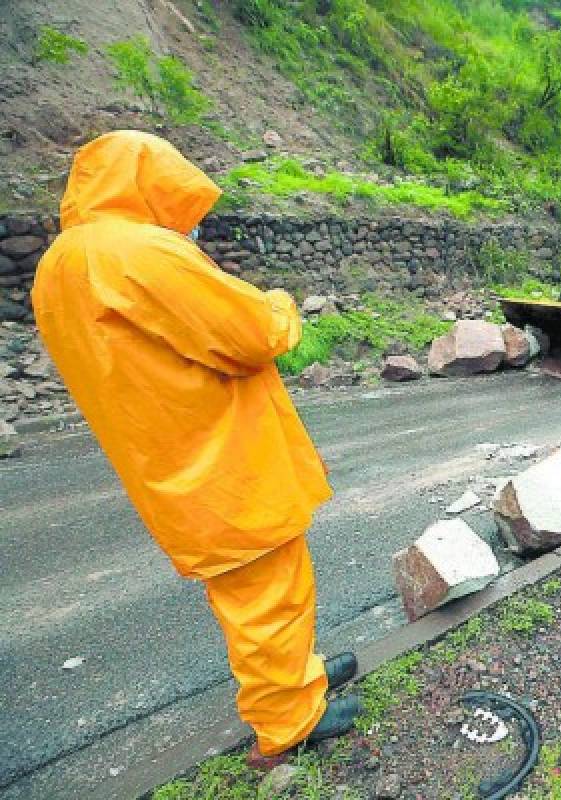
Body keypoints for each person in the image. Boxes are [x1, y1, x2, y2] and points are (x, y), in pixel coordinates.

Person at [31, 131, 361, 766]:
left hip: (166, 461)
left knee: (253, 588)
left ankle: (300, 676)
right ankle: (289, 718)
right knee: (269, 590)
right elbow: (251, 331)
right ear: (148, 180)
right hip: (219, 456)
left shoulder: (59, 266)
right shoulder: (135, 251)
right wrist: (283, 306)